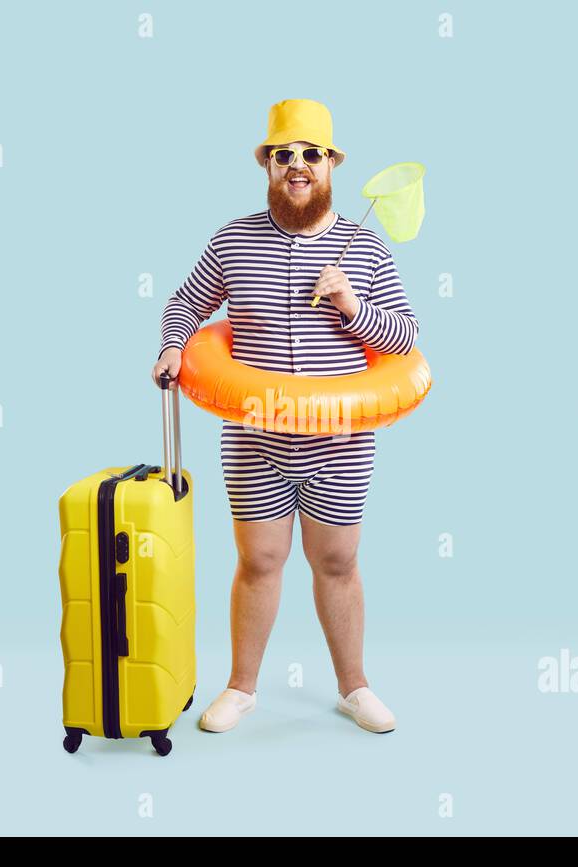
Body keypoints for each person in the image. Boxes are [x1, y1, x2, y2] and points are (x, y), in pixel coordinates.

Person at [149, 99, 419, 735]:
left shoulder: (365, 246)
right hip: (254, 438)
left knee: (337, 564)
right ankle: (241, 689)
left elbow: (403, 339)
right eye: (284, 154)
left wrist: (352, 304)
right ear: (268, 164)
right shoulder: (233, 239)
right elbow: (186, 304)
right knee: (259, 563)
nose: (297, 166)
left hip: (341, 440)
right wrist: (170, 344)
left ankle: (355, 688)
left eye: (311, 154)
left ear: (331, 165)